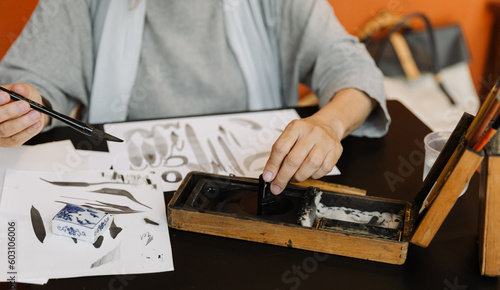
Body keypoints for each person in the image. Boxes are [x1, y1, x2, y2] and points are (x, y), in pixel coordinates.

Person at [0, 0, 390, 195]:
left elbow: (349, 66)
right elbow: (34, 81)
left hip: (254, 197)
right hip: (130, 195)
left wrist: (328, 123)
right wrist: (26, 106)